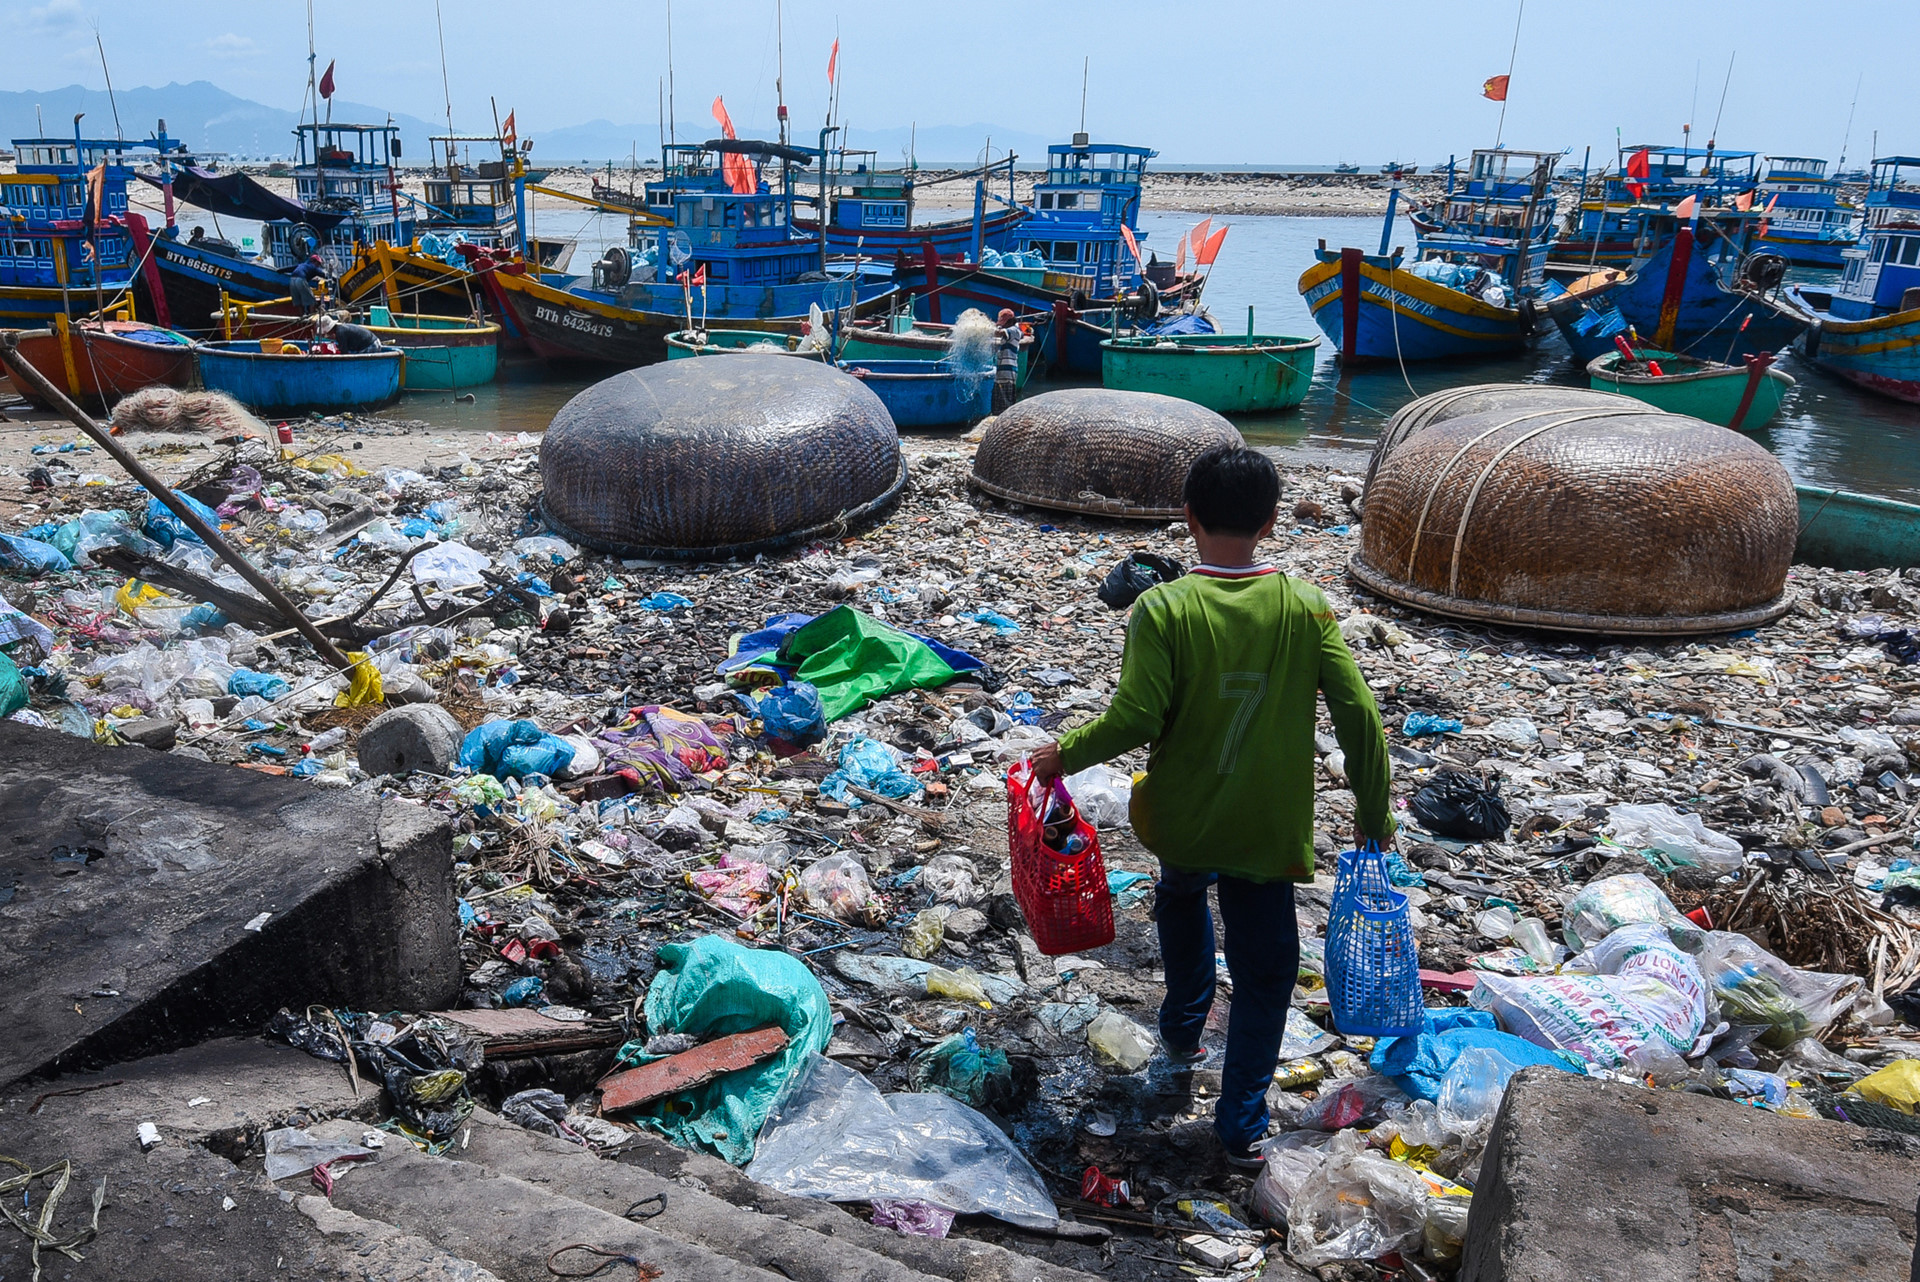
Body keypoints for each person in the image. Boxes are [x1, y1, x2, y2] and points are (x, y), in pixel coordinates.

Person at [1031, 446, 1394, 1169]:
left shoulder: (1163, 607)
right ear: (1269, 521)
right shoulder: (1304, 604)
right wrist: (1373, 810)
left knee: (1182, 891)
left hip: (1182, 819)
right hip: (1264, 831)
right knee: (1266, 975)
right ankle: (1239, 1126)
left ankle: (1180, 1032)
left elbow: (1136, 719)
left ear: (1188, 517)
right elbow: (1359, 715)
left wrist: (1060, 755)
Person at [992, 307, 1022, 414]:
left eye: (1004, 323)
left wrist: (983, 329)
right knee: (997, 406)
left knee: (1004, 408)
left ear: (1010, 321)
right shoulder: (1009, 331)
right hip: (1000, 374)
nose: (1002, 325)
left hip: (1008, 375)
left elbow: (1000, 333)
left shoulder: (1015, 331)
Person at [313, 312, 381, 354]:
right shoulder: (340, 329)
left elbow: (344, 353)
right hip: (374, 342)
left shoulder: (340, 333)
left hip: (371, 345)